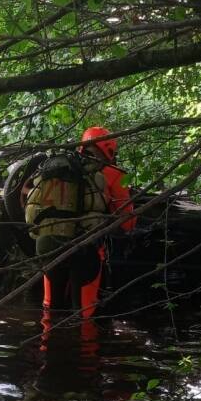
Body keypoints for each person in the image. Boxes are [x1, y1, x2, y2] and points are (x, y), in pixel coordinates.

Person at [26, 126, 136, 320]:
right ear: (109, 148)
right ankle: (83, 347)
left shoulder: (56, 165)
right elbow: (128, 223)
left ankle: (47, 345)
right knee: (84, 312)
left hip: (47, 244)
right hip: (84, 249)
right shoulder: (114, 173)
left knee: (50, 307)